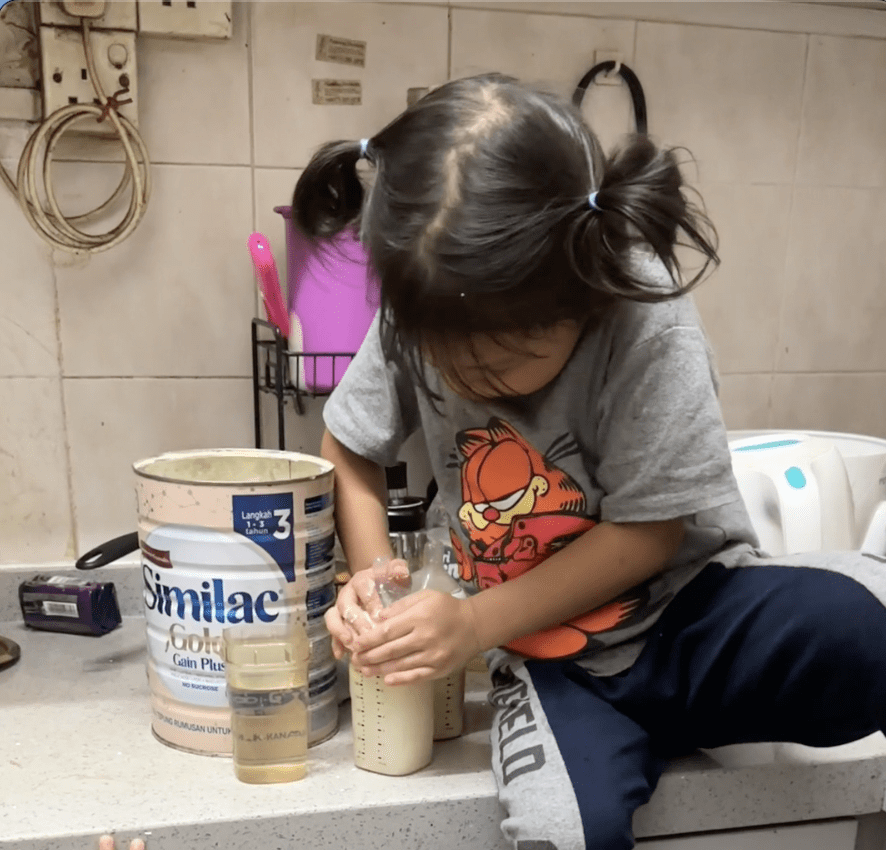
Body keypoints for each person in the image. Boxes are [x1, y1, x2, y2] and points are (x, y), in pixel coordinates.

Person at [294, 73, 886, 850]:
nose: (470, 383)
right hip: (550, 661)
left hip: (694, 615)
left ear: (584, 295)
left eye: (504, 363)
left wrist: (471, 622)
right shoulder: (420, 306)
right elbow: (349, 449)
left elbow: (649, 534)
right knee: (562, 831)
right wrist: (378, 581)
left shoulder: (643, 311)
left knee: (864, 633)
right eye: (447, 361)